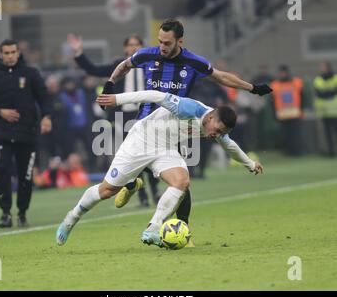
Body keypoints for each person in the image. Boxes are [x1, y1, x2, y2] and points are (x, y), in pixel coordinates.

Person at [102, 19, 271, 237]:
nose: (162, 46)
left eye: (167, 42)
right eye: (160, 41)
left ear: (179, 41)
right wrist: (110, 84)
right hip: (144, 122)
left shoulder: (193, 62)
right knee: (128, 167)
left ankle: (182, 227)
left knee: (182, 181)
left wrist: (253, 88)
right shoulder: (147, 54)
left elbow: (220, 77)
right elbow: (124, 65)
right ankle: (132, 184)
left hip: (174, 126)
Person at [56, 90, 264, 247]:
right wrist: (117, 99)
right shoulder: (188, 108)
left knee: (182, 181)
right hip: (140, 141)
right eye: (217, 130)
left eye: (221, 133)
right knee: (107, 191)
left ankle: (153, 228)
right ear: (210, 118)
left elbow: (229, 145)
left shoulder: (216, 127)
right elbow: (154, 95)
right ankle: (71, 218)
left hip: (165, 149)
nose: (216, 135)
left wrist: (250, 164)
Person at [67, 33, 160, 207]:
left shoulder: (152, 65)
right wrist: (79, 54)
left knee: (151, 155)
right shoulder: (120, 66)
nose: (134, 48)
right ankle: (142, 195)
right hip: (125, 117)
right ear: (125, 48)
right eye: (130, 45)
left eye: (137, 44)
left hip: (149, 115)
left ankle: (155, 190)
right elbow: (94, 70)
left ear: (143, 46)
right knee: (134, 157)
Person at [0, 39, 52, 228]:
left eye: (13, 52)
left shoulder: (31, 74)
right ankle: (5, 213)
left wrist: (46, 117)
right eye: (6, 53)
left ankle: (22, 213)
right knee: (2, 171)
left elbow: (44, 97)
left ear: (18, 53)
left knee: (25, 176)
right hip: (2, 133)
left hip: (27, 133)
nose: (10, 56)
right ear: (0, 55)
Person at [270, 65, 304, 156]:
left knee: (295, 135)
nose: (282, 75)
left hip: (295, 114)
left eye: (284, 72)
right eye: (281, 73)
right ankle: (287, 152)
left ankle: (296, 152)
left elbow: (302, 97)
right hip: (282, 115)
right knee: (285, 136)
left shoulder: (296, 82)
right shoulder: (275, 85)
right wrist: (274, 114)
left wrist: (302, 110)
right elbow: (272, 102)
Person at [313, 62, 337, 157]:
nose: (321, 68)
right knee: (327, 135)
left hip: (335, 112)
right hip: (324, 112)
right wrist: (330, 91)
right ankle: (331, 152)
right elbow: (319, 93)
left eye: (323, 67)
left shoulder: (335, 78)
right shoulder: (318, 80)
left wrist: (326, 92)